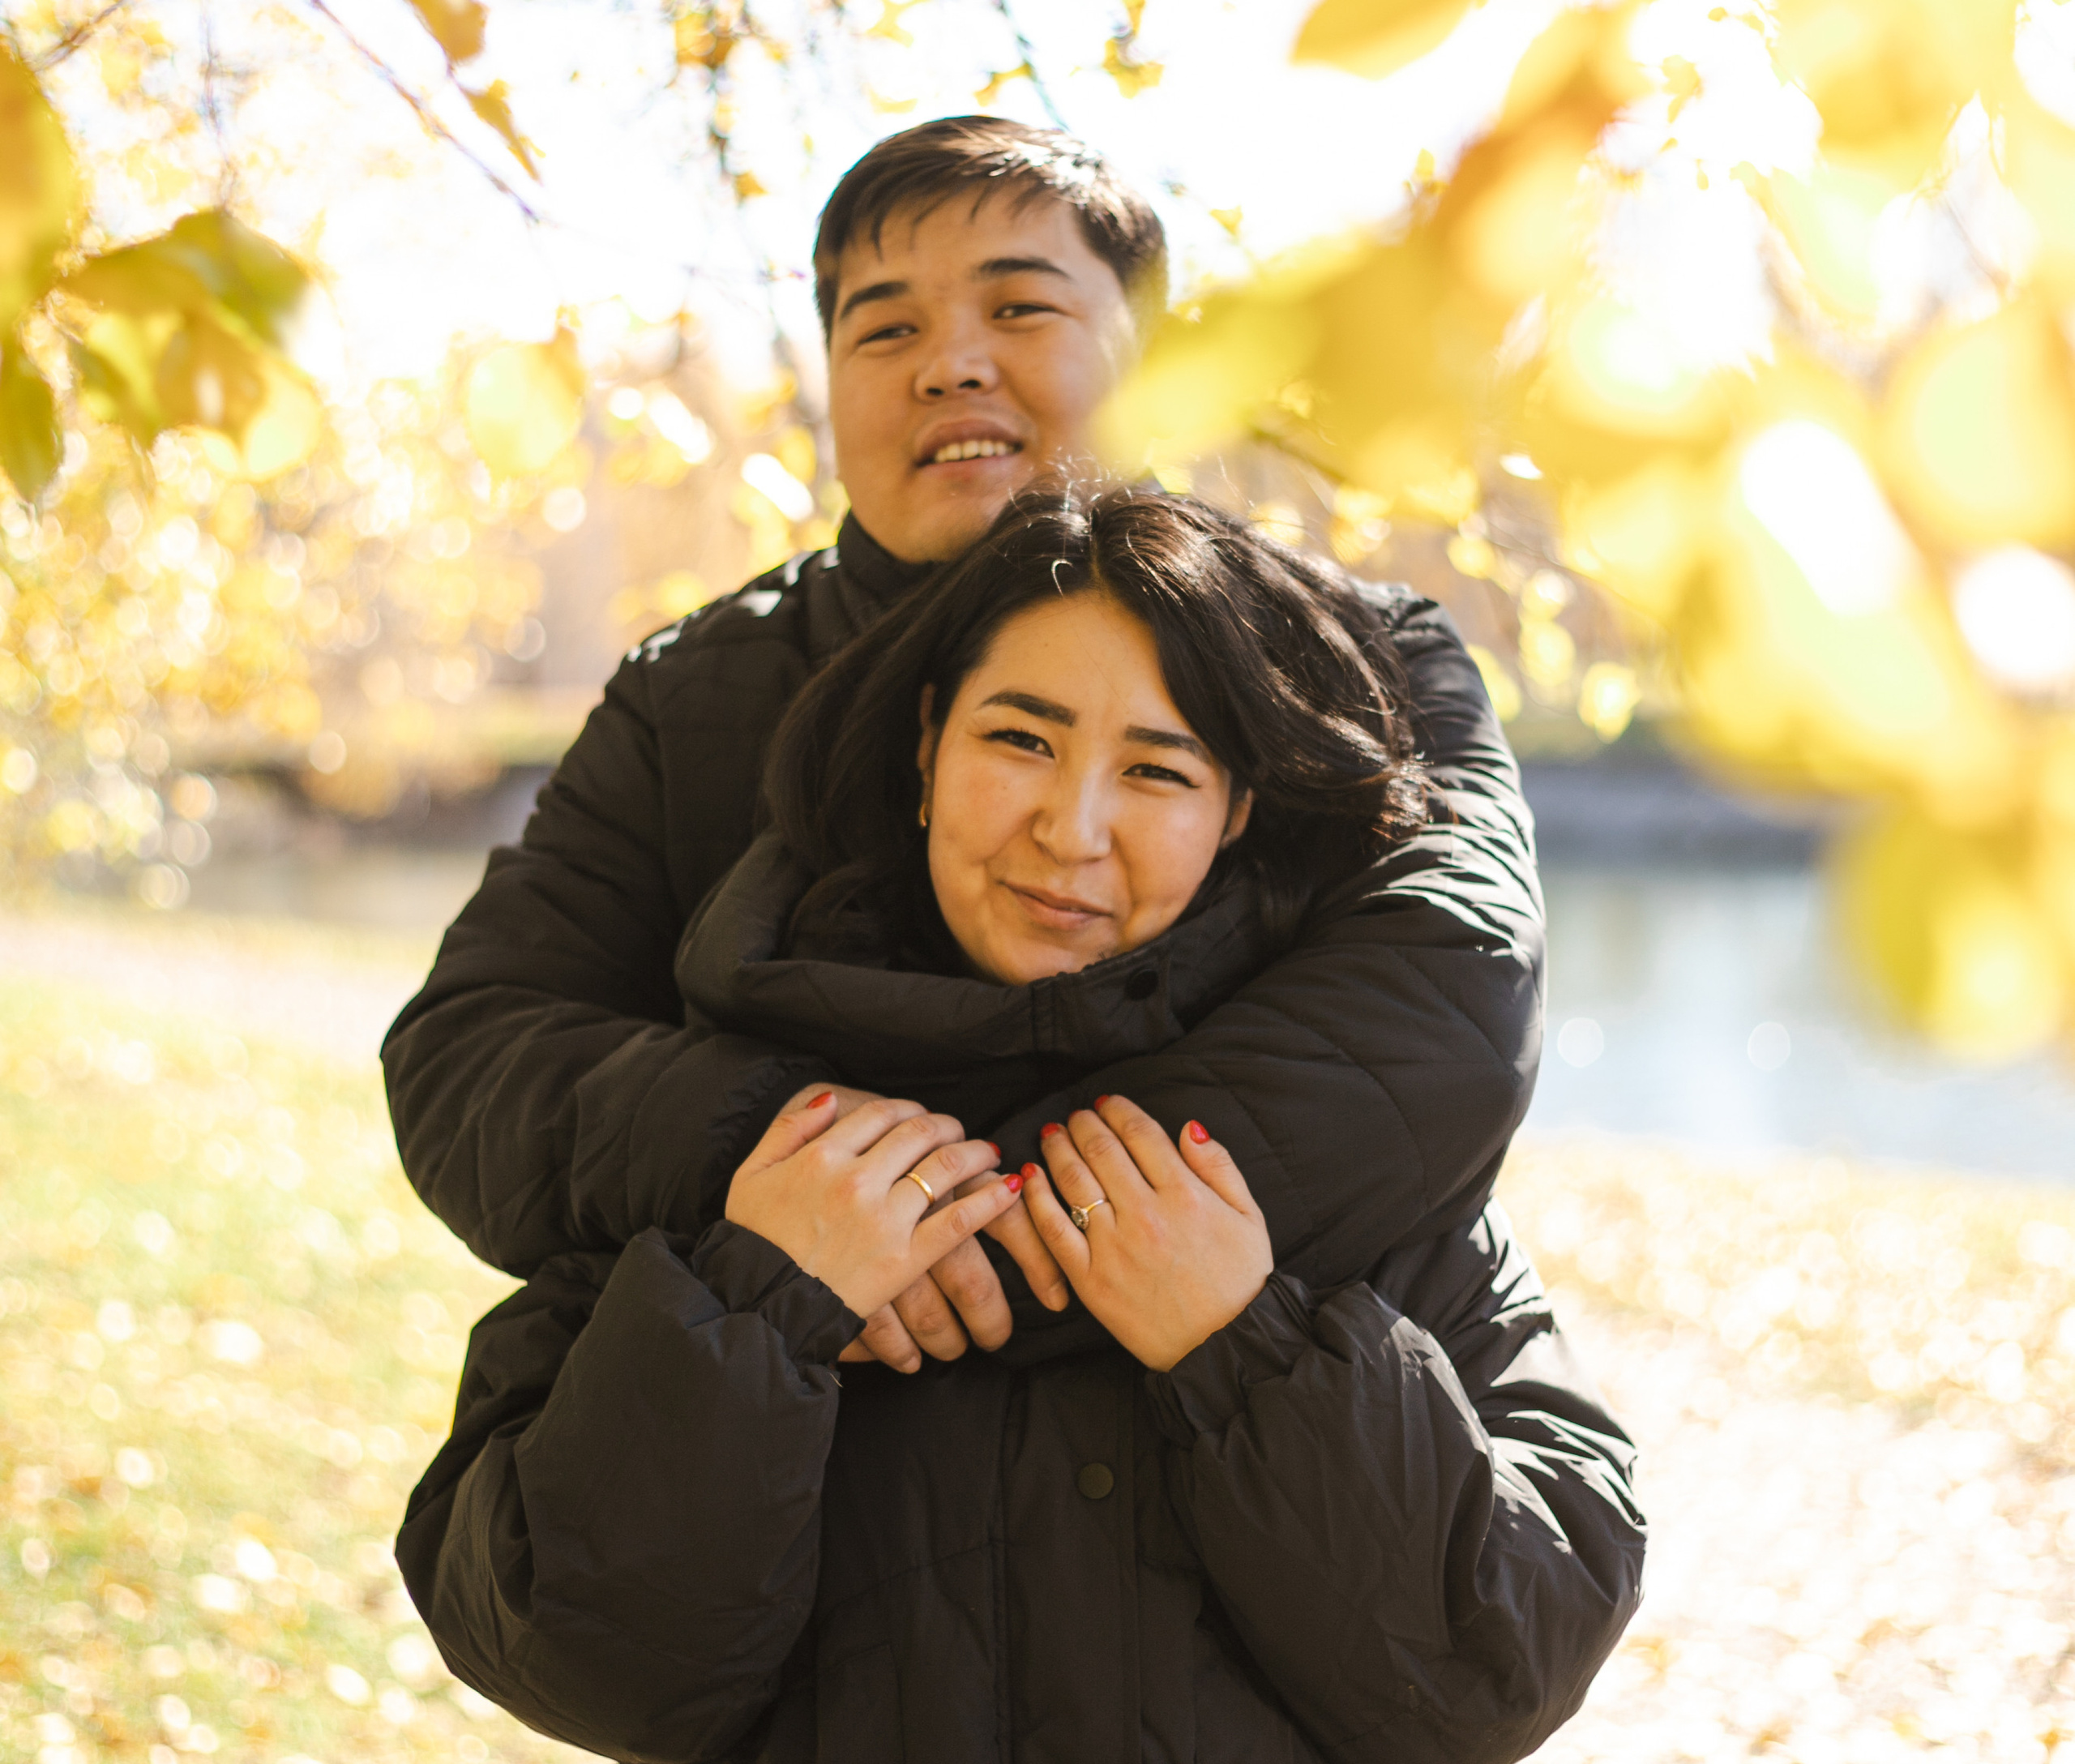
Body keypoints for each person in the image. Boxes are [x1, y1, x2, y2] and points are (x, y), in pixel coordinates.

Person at [397, 486, 1644, 1764]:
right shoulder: (739, 1134)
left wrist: (1240, 1346)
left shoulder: (1341, 1176)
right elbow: (582, 1647)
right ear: (919, 757)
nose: (1073, 828)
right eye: (1018, 741)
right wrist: (755, 1305)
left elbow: (1480, 1665)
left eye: (1160, 768)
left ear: (1240, 814)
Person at [380, 117, 1544, 1380]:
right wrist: (803, 1176)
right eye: (885, 329)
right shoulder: (694, 697)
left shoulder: (1353, 659)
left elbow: (1447, 1003)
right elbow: (471, 1057)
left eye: (1021, 310)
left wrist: (989, 1239)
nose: (950, 367)